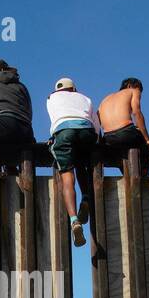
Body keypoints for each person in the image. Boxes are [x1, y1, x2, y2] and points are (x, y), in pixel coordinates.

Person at [46, 77, 100, 247]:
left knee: (67, 177)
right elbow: (97, 126)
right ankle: (85, 198)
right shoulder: (85, 98)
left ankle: (74, 221)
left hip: (64, 130)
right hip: (87, 131)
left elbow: (57, 119)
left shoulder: (51, 98)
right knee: (81, 164)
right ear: (74, 89)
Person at [98, 78, 149, 160]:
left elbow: (97, 121)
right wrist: (147, 139)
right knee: (147, 151)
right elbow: (136, 112)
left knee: (124, 157)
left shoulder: (105, 99)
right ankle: (145, 171)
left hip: (108, 138)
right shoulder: (133, 91)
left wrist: (100, 142)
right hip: (126, 133)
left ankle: (128, 170)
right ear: (129, 86)